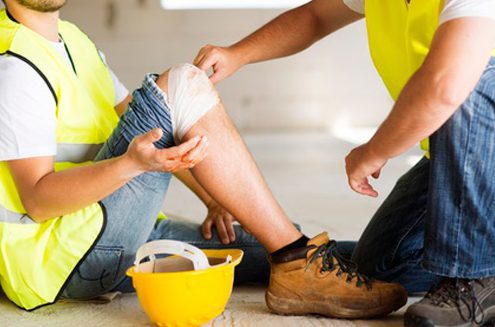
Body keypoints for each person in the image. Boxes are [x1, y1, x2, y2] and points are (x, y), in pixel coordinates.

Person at [0, 0, 407, 319]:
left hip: (109, 236)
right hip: (65, 260)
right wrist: (130, 165)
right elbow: (37, 200)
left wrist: (213, 199)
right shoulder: (15, 64)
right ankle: (295, 257)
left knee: (288, 247)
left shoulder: (74, 41)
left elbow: (145, 121)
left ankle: (432, 276)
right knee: (180, 82)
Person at [193, 0, 495, 326]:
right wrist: (237, 54)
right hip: (455, 158)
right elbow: (315, 16)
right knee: (377, 268)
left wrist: (375, 150)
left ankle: (473, 276)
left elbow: (446, 86)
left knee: (468, 74)